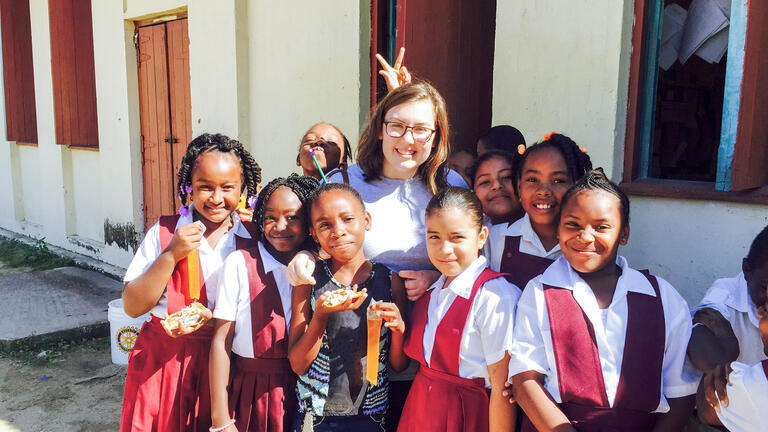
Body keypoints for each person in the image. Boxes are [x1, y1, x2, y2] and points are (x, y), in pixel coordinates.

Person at [510, 169, 698, 431]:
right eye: (573, 224)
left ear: (624, 234)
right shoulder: (540, 293)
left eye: (601, 227)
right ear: (558, 229)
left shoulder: (662, 298)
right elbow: (525, 380)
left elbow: (681, 392)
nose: (585, 237)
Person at [120, 133, 262, 432]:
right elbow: (133, 306)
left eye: (227, 187)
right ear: (188, 188)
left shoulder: (254, 239)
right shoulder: (165, 231)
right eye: (204, 187)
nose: (215, 197)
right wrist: (171, 254)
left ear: (244, 189)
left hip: (226, 363)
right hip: (166, 363)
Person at [288, 183, 409, 431]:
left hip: (372, 415)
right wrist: (320, 316)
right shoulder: (310, 281)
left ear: (366, 220)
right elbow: (298, 364)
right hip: (316, 415)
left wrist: (399, 330)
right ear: (313, 233)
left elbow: (398, 365)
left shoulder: (389, 281)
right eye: (325, 225)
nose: (338, 231)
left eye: (347, 219)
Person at [397, 187, 518, 432]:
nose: (444, 249)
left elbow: (501, 389)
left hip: (465, 415)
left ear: (482, 236)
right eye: (434, 237)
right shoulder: (432, 290)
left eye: (457, 237)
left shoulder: (495, 297)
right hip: (420, 410)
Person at [209, 174, 319, 432]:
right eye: (270, 217)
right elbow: (221, 340)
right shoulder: (240, 263)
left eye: (293, 217)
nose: (280, 226)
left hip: (307, 390)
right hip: (252, 393)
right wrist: (220, 419)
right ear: (259, 218)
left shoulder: (320, 266)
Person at [487, 133, 592, 290]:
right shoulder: (495, 240)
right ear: (519, 186)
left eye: (558, 181)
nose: (543, 191)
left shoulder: (588, 247)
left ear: (576, 186)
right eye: (532, 180)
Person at [688, 225, 768, 419]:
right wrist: (718, 365)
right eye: (765, 287)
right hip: (724, 413)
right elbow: (698, 331)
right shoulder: (726, 294)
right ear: (746, 269)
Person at [696, 288, 768, 431]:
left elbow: (707, 409)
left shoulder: (755, 385)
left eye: (766, 310)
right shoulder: (723, 294)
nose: (758, 312)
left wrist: (727, 348)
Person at [471, 150, 524, 226]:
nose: (496, 185)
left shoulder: (542, 230)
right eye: (485, 182)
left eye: (507, 177)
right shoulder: (471, 233)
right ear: (474, 192)